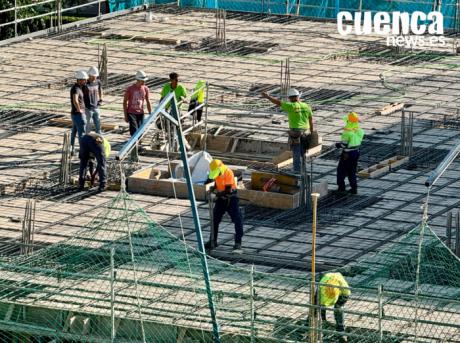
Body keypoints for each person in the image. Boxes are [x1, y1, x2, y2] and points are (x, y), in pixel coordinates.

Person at [261, 89, 314, 173]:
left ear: (290, 98)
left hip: (296, 132)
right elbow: (311, 119)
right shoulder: (306, 106)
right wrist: (311, 131)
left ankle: (297, 171)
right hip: (306, 132)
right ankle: (303, 170)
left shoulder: (291, 106)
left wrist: (267, 97)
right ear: (298, 96)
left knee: (296, 152)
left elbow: (278, 102)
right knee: (303, 152)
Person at [205, 159, 243, 252]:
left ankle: (238, 243)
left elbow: (228, 190)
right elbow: (217, 184)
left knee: (237, 220)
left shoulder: (228, 172)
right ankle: (212, 241)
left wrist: (216, 194)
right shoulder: (217, 173)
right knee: (215, 220)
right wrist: (212, 188)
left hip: (231, 199)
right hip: (221, 200)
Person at [123, 70, 152, 160]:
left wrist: (151, 113)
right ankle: (133, 154)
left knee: (140, 133)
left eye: (144, 81)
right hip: (131, 112)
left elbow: (147, 101)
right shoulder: (130, 89)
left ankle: (136, 149)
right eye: (142, 80)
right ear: (137, 80)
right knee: (134, 132)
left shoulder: (145, 89)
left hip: (140, 113)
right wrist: (125, 115)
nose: (143, 82)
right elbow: (124, 102)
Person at [335, 112, 364, 195]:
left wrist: (338, 145)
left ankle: (341, 188)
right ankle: (354, 189)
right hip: (356, 153)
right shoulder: (360, 130)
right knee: (352, 171)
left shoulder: (347, 132)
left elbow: (344, 144)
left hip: (347, 154)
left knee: (341, 171)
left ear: (348, 121)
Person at [318, 272, 351, 343]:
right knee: (317, 306)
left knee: (338, 308)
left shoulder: (345, 290)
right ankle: (321, 323)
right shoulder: (321, 288)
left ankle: (340, 329)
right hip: (325, 285)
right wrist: (322, 318)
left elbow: (346, 296)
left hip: (340, 289)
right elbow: (320, 304)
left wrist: (339, 305)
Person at [70, 70, 88, 156]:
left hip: (75, 114)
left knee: (74, 132)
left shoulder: (78, 88)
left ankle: (71, 149)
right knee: (82, 134)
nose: (85, 81)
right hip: (78, 115)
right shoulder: (76, 89)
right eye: (84, 80)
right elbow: (75, 100)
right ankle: (82, 151)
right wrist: (79, 110)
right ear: (80, 80)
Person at [84, 66, 103, 134]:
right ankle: (86, 140)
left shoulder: (98, 82)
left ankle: (99, 139)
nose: (94, 77)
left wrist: (101, 99)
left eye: (95, 76)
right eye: (93, 76)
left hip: (96, 107)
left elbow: (100, 90)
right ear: (89, 75)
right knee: (88, 126)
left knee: (98, 125)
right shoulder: (85, 84)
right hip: (88, 108)